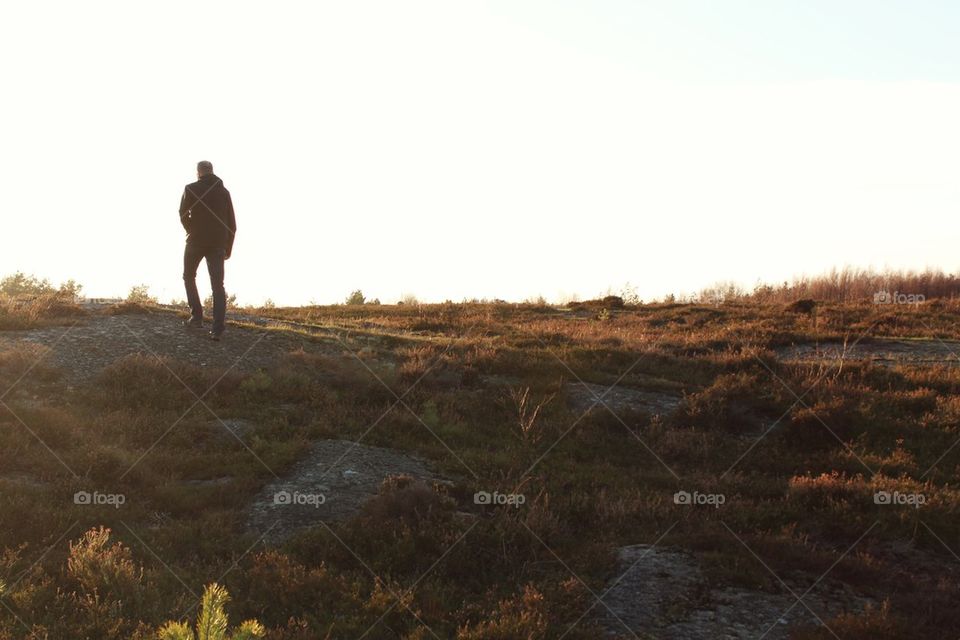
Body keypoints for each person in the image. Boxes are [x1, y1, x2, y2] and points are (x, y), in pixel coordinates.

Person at [179, 160, 236, 340]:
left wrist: (191, 229)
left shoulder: (190, 188)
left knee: (189, 276)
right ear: (212, 171)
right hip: (218, 243)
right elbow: (232, 224)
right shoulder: (224, 192)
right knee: (218, 285)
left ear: (198, 172)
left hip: (195, 241)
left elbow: (182, 213)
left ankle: (196, 316)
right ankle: (217, 329)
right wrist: (228, 247)